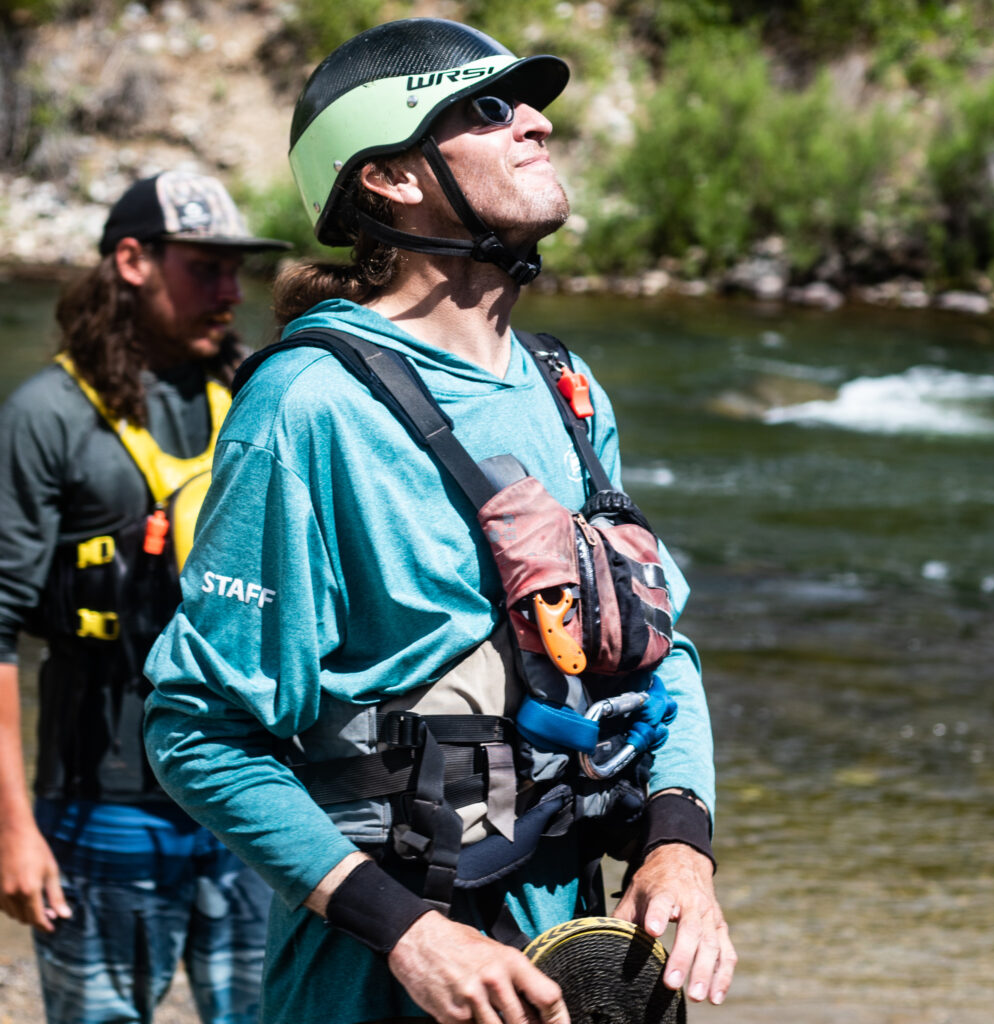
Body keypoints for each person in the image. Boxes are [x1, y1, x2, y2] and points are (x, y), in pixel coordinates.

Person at [143, 19, 736, 1024]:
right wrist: (409, 932)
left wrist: (680, 841)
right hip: (375, 971)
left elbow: (652, 652)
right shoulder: (306, 410)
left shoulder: (567, 388)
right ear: (389, 178)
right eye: (488, 108)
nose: (537, 123)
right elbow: (198, 732)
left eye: (530, 102)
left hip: (564, 939)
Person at [0, 170, 290, 1024]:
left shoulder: (256, 395)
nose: (232, 292)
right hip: (103, 814)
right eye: (206, 268)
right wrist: (14, 831)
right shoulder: (46, 418)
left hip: (254, 800)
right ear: (132, 260)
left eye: (238, 272)